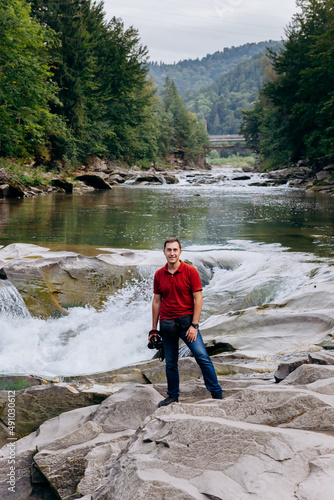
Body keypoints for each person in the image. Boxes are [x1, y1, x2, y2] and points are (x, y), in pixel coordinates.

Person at [149, 237, 223, 407]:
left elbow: (198, 299)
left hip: (187, 324)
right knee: (171, 363)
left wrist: (194, 325)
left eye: (175, 250)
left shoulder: (190, 271)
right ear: (164, 252)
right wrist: (154, 329)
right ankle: (173, 396)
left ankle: (217, 394)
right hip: (167, 325)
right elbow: (156, 301)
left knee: (202, 357)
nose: (172, 253)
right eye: (169, 250)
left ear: (180, 252)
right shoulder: (159, 274)